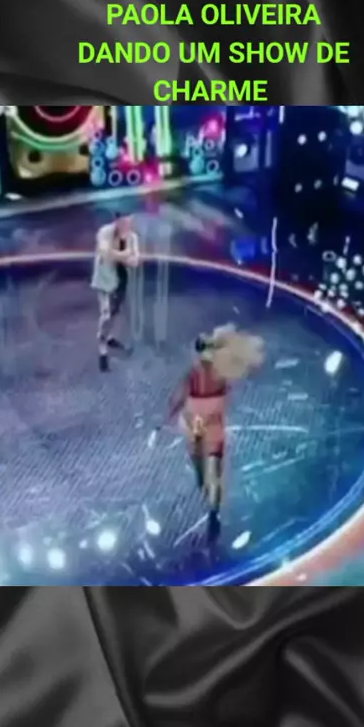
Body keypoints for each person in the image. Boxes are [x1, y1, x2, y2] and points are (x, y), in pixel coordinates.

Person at [148, 325, 264, 530]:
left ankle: (202, 479)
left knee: (198, 456)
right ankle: (213, 508)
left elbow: (178, 399)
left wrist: (166, 419)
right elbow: (227, 390)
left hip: (197, 422)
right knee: (214, 465)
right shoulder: (220, 374)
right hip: (212, 422)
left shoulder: (194, 375)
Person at [91, 213, 140, 371]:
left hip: (121, 279)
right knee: (105, 314)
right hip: (104, 280)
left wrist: (121, 256)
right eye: (123, 222)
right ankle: (102, 348)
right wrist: (125, 255)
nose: (127, 225)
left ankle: (109, 336)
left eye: (129, 222)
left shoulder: (132, 237)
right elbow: (104, 252)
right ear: (116, 221)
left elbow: (135, 261)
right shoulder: (105, 232)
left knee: (114, 312)